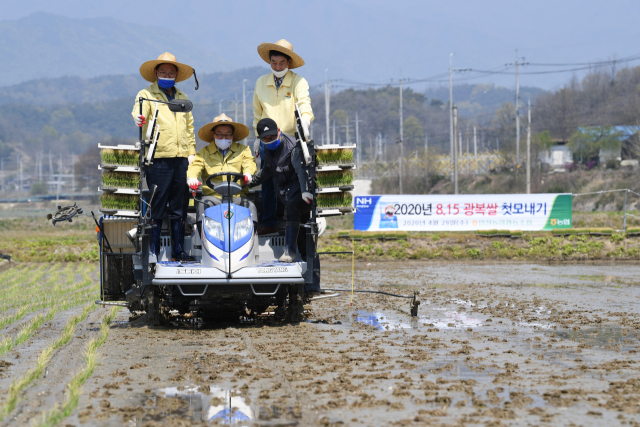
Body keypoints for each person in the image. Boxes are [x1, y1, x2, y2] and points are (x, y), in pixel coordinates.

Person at [131, 52, 197, 261]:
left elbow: (190, 128)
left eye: (170, 72)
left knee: (179, 206)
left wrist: (192, 153)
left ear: (176, 75)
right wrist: (138, 118)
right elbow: (138, 113)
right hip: (157, 157)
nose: (167, 75)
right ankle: (154, 252)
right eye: (163, 72)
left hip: (181, 159)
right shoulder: (146, 94)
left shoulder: (182, 98)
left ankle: (178, 251)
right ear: (156, 73)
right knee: (157, 206)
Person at [250, 118, 320, 295]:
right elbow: (267, 171)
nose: (270, 140)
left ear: (279, 132)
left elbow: (300, 172)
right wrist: (250, 182)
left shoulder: (292, 147)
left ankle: (290, 253)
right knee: (304, 237)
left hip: (300, 194)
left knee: (295, 216)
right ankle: (306, 284)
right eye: (265, 139)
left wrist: (304, 191)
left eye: (273, 136)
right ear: (261, 139)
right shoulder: (268, 149)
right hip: (284, 193)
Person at [252, 39, 314, 236]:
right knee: (268, 182)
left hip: (290, 141)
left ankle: (292, 224)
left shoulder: (298, 82)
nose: (277, 66)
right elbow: (257, 112)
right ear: (269, 62)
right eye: (274, 62)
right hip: (268, 141)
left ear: (289, 62)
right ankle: (269, 222)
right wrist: (256, 136)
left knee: (294, 182)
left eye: (281, 63)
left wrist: (305, 121)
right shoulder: (261, 82)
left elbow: (304, 105)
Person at [187, 114, 258, 228]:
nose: (224, 137)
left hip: (237, 197)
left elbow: (249, 163)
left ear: (233, 134)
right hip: (212, 198)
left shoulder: (244, 150)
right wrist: (192, 178)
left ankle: (251, 241)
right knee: (202, 207)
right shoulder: (203, 153)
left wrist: (248, 173)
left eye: (228, 134)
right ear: (213, 134)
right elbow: (195, 166)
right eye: (219, 134)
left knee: (251, 207)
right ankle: (203, 242)